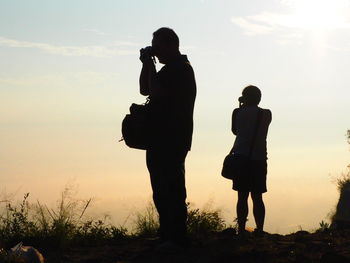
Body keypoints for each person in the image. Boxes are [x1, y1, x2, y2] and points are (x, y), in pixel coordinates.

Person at [139, 27, 196, 251]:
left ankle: (178, 238)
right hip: (160, 137)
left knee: (172, 187)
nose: (156, 50)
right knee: (161, 188)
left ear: (171, 45)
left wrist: (151, 65)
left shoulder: (181, 69)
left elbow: (158, 93)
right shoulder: (168, 69)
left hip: (172, 137)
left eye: (158, 45)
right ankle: (167, 235)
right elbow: (145, 89)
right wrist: (146, 64)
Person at [231, 85, 272, 236]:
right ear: (259, 98)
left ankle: (241, 229)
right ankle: (259, 229)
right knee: (257, 196)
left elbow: (235, 131)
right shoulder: (266, 114)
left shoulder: (237, 112)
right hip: (259, 158)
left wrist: (241, 105)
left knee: (242, 196)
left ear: (244, 97)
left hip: (240, 157)